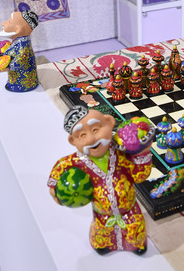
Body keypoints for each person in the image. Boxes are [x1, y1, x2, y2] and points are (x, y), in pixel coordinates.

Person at [47, 106, 153, 255]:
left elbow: (139, 175)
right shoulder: (77, 161)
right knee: (102, 233)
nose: (91, 139)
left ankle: (136, 244)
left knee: (135, 230)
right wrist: (53, 186)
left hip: (130, 210)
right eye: (82, 135)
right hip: (102, 215)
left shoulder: (121, 153)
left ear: (109, 123)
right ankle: (103, 245)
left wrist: (143, 152)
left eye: (95, 129)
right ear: (73, 141)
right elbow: (60, 166)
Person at [0, 10, 39, 92]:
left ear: (18, 30)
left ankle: (18, 86)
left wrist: (7, 67)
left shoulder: (23, 47)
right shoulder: (18, 42)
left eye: (9, 22)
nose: (3, 23)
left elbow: (19, 61)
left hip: (23, 83)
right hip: (17, 79)